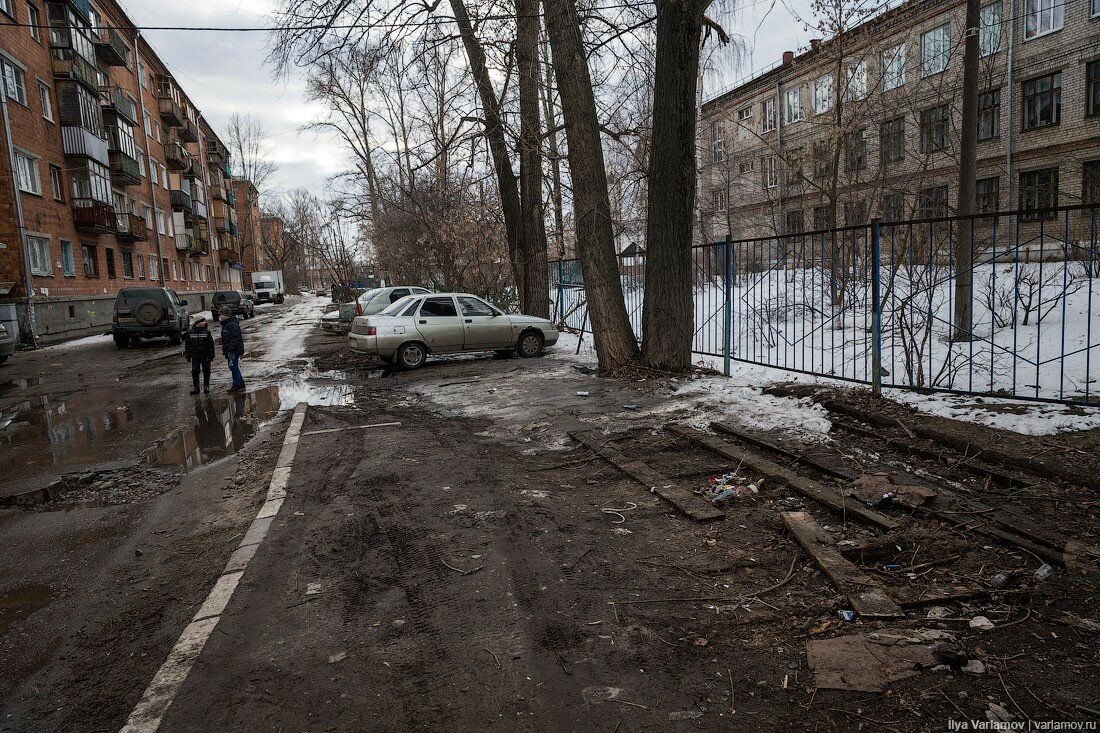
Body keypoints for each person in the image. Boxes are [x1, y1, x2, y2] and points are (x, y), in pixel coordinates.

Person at [183, 316, 215, 395]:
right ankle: (196, 388)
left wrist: (211, 355)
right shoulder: (190, 332)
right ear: (198, 323)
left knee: (206, 370)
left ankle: (206, 386)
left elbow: (211, 345)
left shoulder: (207, 332)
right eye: (203, 321)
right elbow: (187, 345)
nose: (205, 322)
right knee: (195, 371)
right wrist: (188, 355)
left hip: (205, 355)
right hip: (195, 355)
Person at [218, 305, 246, 393]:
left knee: (233, 366)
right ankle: (240, 383)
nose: (219, 317)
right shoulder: (227, 324)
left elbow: (235, 338)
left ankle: (237, 384)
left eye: (221, 315)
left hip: (233, 350)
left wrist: (230, 349)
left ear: (226, 315)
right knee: (233, 366)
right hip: (231, 350)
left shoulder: (231, 324)